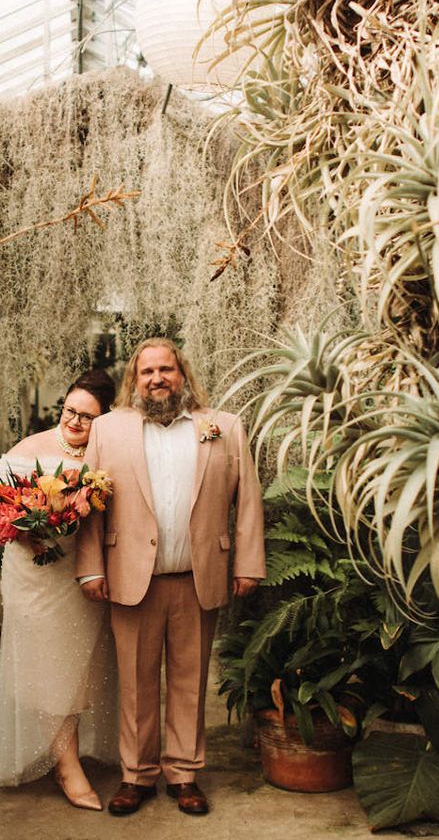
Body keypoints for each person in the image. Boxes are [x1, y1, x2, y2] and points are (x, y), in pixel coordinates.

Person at [76, 337, 265, 817]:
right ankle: (135, 776)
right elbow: (89, 509)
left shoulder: (223, 427)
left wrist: (247, 563)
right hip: (129, 577)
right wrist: (91, 568)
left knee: (190, 680)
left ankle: (184, 774)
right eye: (147, 372)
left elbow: (248, 503)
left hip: (197, 576)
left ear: (182, 374)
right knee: (136, 685)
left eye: (166, 369)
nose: (157, 378)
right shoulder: (107, 429)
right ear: (133, 380)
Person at [0, 369, 117, 810]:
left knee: (77, 667)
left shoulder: (105, 457)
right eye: (70, 410)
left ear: (103, 420)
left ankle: (64, 753)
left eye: (87, 417)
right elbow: (4, 510)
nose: (74, 422)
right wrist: (27, 528)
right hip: (33, 574)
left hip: (79, 575)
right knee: (46, 666)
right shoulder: (28, 450)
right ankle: (67, 768)